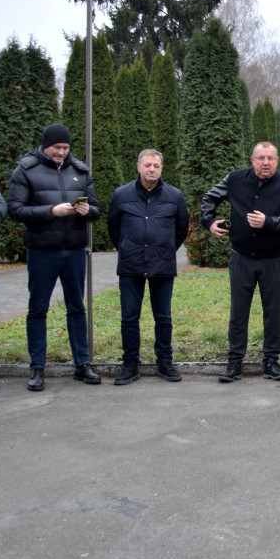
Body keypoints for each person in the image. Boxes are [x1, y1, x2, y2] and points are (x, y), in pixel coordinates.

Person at [6, 123, 102, 391]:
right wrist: (51, 211)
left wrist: (87, 211)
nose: (61, 152)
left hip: (74, 250)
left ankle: (82, 364)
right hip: (41, 250)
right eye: (57, 148)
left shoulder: (80, 171)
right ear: (45, 145)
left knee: (77, 308)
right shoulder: (25, 170)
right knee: (38, 309)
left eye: (66, 148)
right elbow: (14, 209)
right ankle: (37, 368)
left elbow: (97, 209)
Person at [201, 142, 280, 383]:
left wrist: (269, 222)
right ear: (252, 159)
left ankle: (271, 361)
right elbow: (210, 197)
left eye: (270, 158)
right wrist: (209, 222)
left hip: (272, 259)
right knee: (238, 312)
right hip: (241, 257)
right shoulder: (234, 179)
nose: (265, 162)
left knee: (273, 311)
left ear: (277, 160)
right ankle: (234, 362)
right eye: (261, 158)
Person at [107, 149, 190, 386]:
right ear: (138, 167)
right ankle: (130, 364)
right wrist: (126, 247)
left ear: (162, 168)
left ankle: (165, 361)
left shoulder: (174, 196)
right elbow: (114, 228)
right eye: (148, 165)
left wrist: (163, 249)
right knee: (129, 317)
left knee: (163, 317)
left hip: (162, 265)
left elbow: (181, 229)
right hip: (130, 265)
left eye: (156, 165)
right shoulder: (121, 195)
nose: (152, 169)